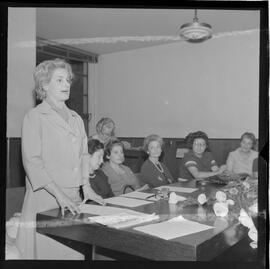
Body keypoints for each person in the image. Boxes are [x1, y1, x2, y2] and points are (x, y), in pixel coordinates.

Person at [16, 59, 103, 260]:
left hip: (73, 198)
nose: (67, 85)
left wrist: (86, 186)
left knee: (74, 254)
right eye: (59, 80)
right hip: (46, 198)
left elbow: (83, 155)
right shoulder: (35, 117)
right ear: (44, 85)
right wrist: (59, 195)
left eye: (68, 80)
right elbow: (33, 163)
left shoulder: (76, 118)